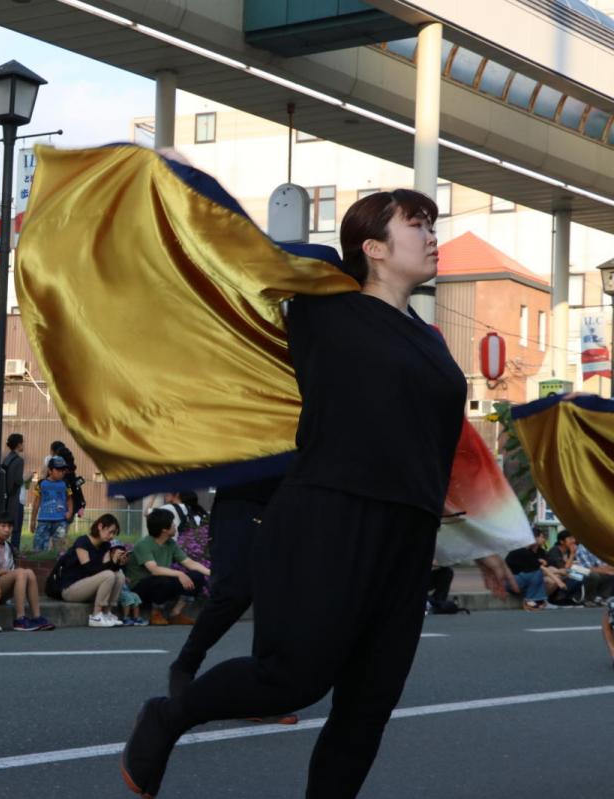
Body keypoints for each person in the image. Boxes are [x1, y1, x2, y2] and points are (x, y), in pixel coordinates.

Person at [121, 189, 517, 799]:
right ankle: (168, 716)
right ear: (374, 248)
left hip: (406, 538)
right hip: (326, 518)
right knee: (290, 681)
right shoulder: (322, 307)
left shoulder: (434, 344)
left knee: (368, 703)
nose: (432, 236)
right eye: (418, 226)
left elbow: (436, 452)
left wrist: (481, 544)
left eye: (432, 225)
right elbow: (261, 258)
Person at [165, 477, 299, 730]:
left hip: (288, 501)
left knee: (275, 598)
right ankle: (186, 664)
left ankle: (261, 694)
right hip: (241, 499)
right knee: (234, 592)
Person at [125, 508, 209, 626]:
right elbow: (154, 570)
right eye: (173, 523)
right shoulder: (143, 544)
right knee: (162, 580)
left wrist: (212, 572)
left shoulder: (171, 544)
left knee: (197, 576)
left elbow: (189, 563)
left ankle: (176, 614)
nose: (175, 525)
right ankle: (155, 614)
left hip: (162, 584)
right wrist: (180, 574)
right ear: (164, 529)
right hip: (139, 589)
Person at [0, 510, 53, 631]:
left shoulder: (9, 547)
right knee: (21, 572)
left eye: (10, 526)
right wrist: (0, 572)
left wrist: (7, 573)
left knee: (29, 572)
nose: (7, 530)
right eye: (3, 526)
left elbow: (12, 572)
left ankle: (37, 617)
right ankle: (20, 619)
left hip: (3, 590)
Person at [58, 514, 127, 627]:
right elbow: (88, 570)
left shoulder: (106, 546)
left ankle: (106, 613)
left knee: (119, 576)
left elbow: (106, 569)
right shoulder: (83, 542)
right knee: (109, 575)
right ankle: (96, 615)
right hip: (71, 589)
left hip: (89, 587)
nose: (112, 536)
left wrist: (117, 563)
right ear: (100, 526)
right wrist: (111, 562)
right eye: (110, 532)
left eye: (114, 533)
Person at [29, 455, 72, 553]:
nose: (61, 472)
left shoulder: (65, 484)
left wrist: (70, 511)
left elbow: (69, 499)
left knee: (60, 549)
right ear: (50, 470)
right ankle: (39, 565)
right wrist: (32, 520)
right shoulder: (41, 483)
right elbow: (36, 502)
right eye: (58, 470)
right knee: (38, 548)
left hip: (60, 521)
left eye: (63, 470)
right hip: (43, 520)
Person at [505, 534, 551, 611]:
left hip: (514, 581)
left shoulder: (526, 551)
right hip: (509, 583)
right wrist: (558, 580)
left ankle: (536, 600)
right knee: (538, 573)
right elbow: (539, 568)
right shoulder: (521, 551)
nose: (534, 540)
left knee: (538, 575)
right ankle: (530, 600)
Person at [545, 530, 584, 606]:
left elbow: (574, 564)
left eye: (573, 538)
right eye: (570, 539)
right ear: (562, 541)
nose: (573, 541)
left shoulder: (568, 550)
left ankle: (571, 597)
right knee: (578, 577)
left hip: (565, 573)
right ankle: (558, 598)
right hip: (554, 574)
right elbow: (564, 568)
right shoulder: (555, 551)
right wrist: (572, 554)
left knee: (586, 574)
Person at [111, 543, 146, 626]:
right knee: (128, 597)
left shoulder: (121, 568)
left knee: (135, 596)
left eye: (126, 556)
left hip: (125, 590)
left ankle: (136, 617)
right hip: (117, 592)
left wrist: (126, 578)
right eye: (122, 555)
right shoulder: (112, 566)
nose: (124, 558)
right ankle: (125, 617)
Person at [1, 433, 26, 549]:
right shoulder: (19, 460)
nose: (23, 445)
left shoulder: (6, 458)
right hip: (14, 497)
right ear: (19, 444)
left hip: (4, 496)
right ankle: (15, 550)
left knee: (4, 525)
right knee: (16, 527)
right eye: (22, 443)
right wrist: (27, 477)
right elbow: (18, 480)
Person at [574, 541, 614, 606]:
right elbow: (588, 568)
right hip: (583, 572)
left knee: (611, 574)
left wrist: (606, 569)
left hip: (598, 570)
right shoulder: (582, 548)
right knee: (594, 575)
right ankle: (589, 599)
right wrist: (605, 570)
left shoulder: (598, 547)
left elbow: (606, 565)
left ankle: (604, 597)